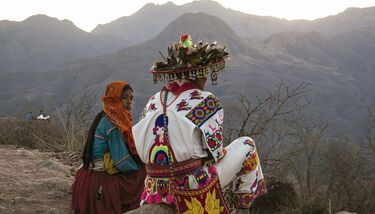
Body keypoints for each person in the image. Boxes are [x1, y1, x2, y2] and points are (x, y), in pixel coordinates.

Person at [133, 35, 267, 213]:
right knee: (247, 144)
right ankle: (242, 207)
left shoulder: (153, 100)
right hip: (190, 183)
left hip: (154, 185)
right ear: (197, 75)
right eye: (204, 75)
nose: (205, 80)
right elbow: (215, 154)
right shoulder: (206, 101)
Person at [71, 81, 146, 214]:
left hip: (87, 176)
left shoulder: (106, 115)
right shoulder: (112, 122)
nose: (129, 101)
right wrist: (141, 165)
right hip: (100, 178)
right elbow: (122, 161)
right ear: (114, 98)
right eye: (124, 97)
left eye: (131, 98)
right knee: (143, 172)